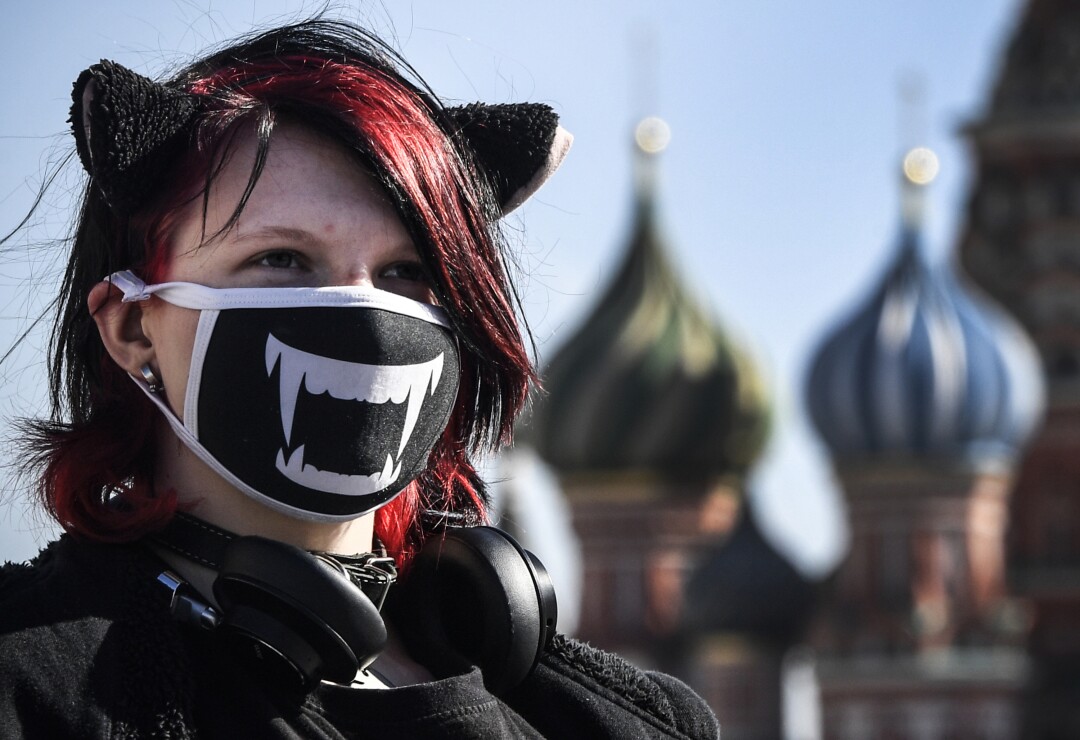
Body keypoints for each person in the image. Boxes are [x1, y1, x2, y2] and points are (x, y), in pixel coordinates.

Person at [0, 19, 719, 739]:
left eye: (407, 271)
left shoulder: (633, 723)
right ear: (132, 326)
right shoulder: (31, 689)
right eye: (281, 257)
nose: (364, 309)